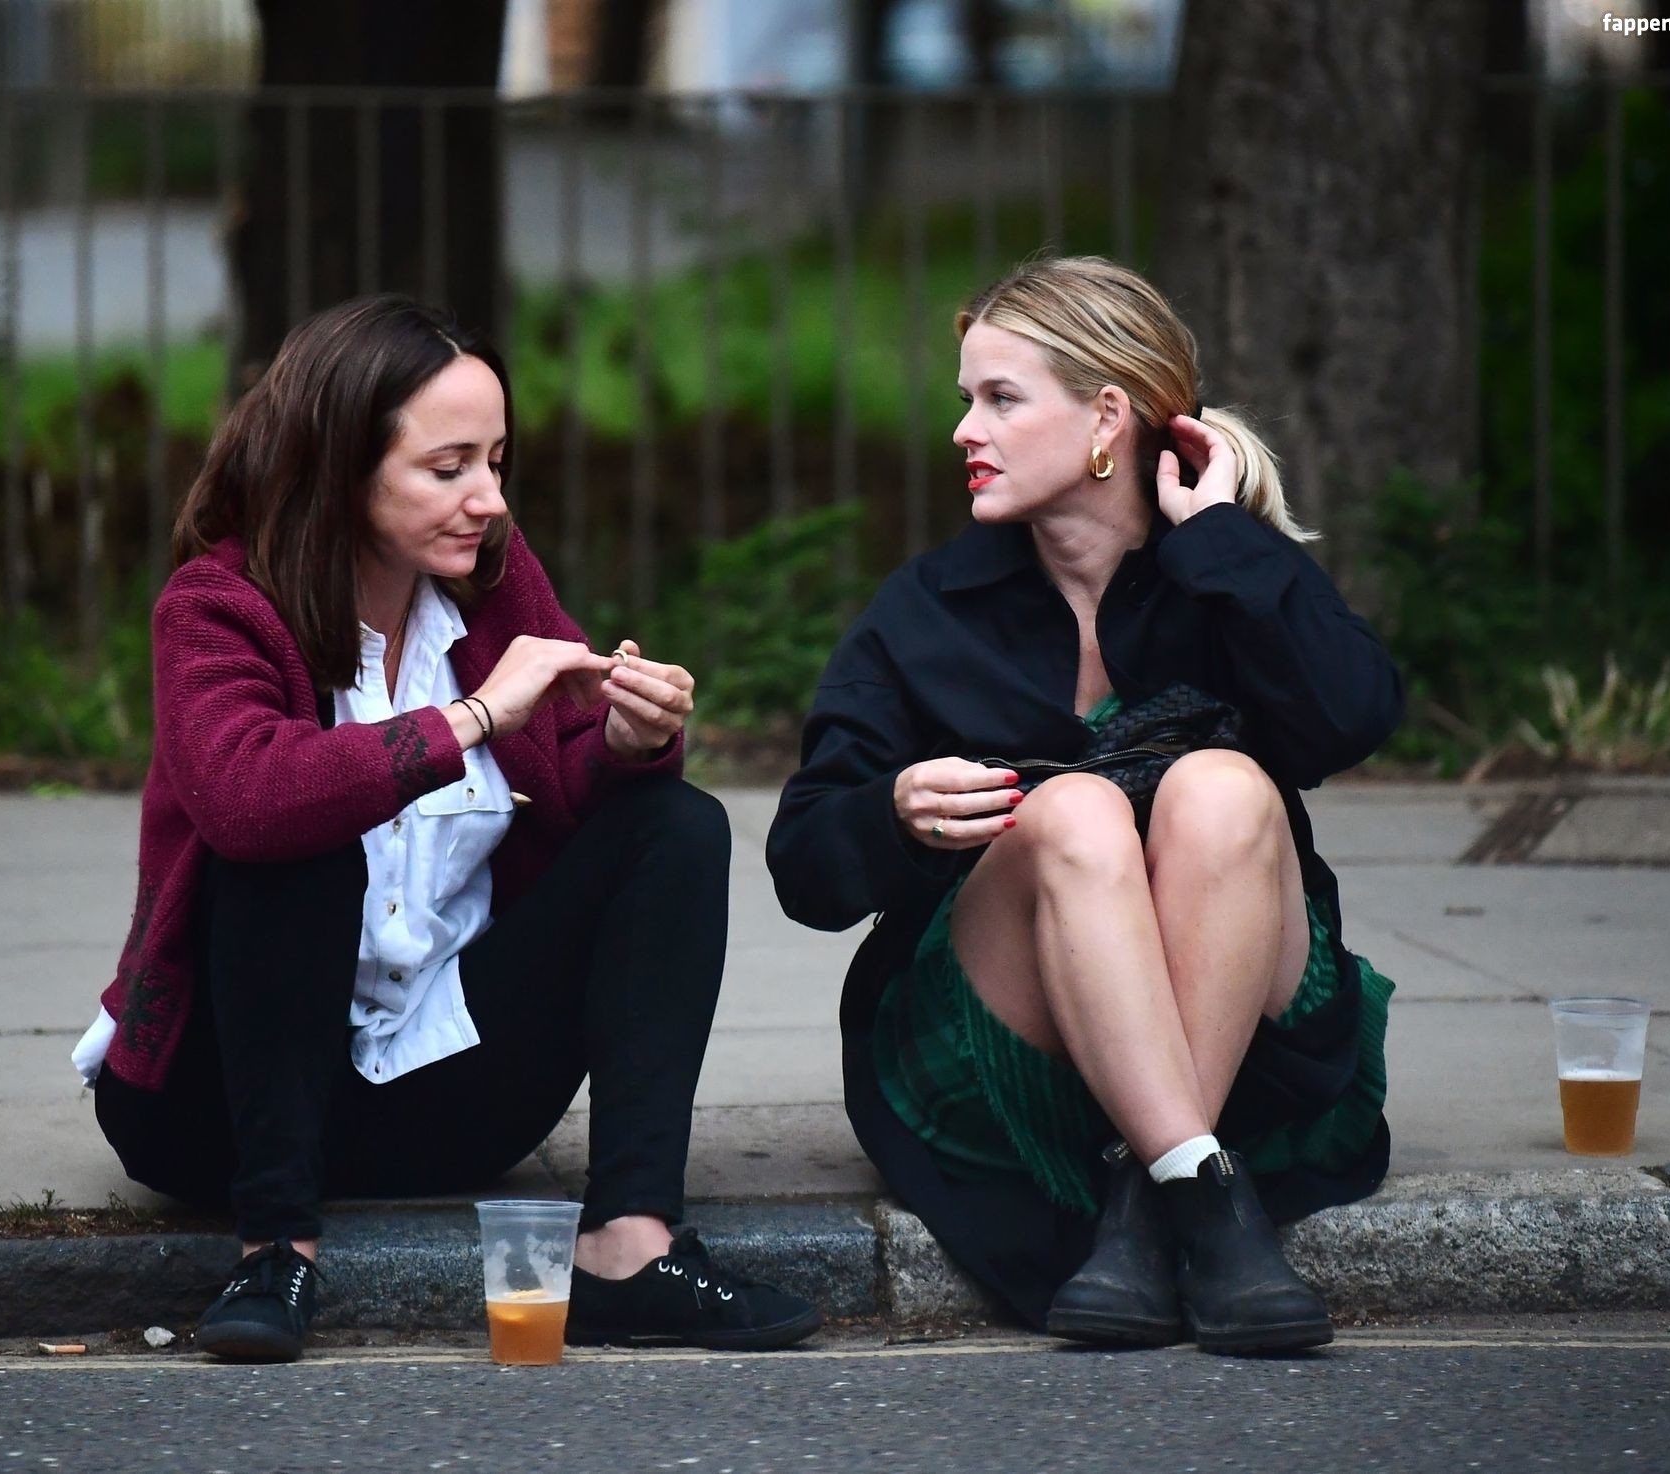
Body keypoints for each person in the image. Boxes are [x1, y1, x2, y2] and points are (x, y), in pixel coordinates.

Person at [73, 295, 822, 1361]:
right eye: (449, 467)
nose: (489, 500)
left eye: (497, 462)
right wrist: (470, 719)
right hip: (217, 1117)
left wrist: (624, 740)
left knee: (676, 825)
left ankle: (630, 1247)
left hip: (439, 1092)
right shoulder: (217, 605)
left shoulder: (494, 585)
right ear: (341, 465)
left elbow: (565, 794)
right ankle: (274, 1252)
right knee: (298, 832)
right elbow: (246, 796)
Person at [765, 257, 1402, 1356]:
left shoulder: (1223, 577)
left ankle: (1153, 1190)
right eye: (966, 398)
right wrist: (894, 811)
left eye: (1000, 399)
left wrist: (1221, 539)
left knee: (1221, 788)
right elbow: (804, 865)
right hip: (1007, 1058)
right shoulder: (929, 610)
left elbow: (1353, 717)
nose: (965, 430)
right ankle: (1206, 1197)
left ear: (1108, 417)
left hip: (1243, 1045)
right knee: (1073, 813)